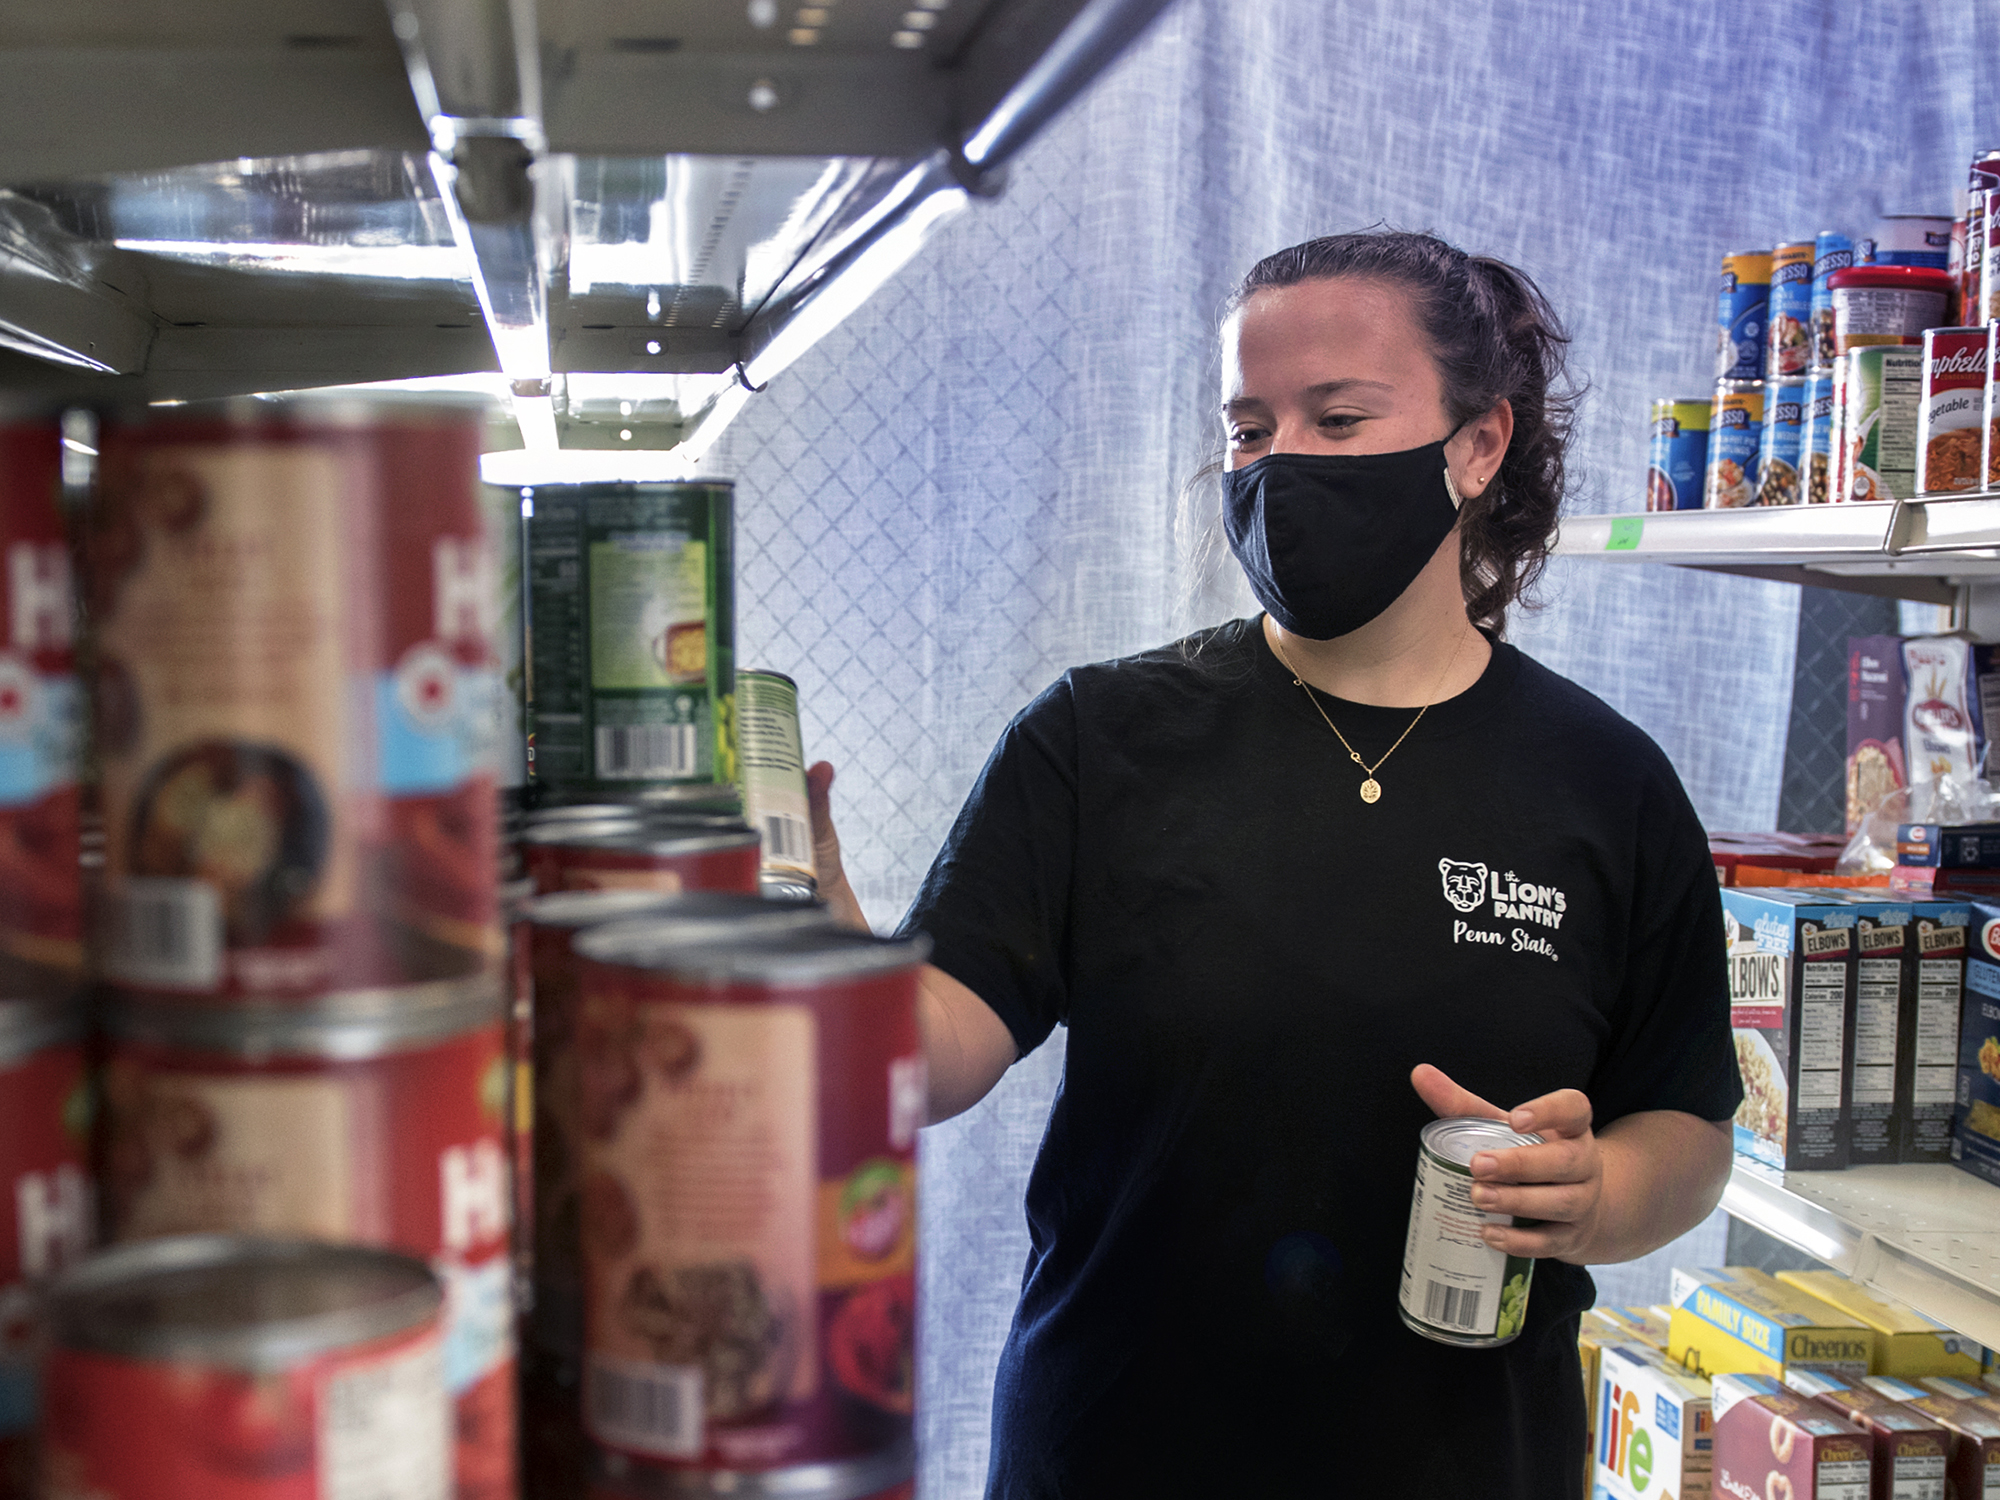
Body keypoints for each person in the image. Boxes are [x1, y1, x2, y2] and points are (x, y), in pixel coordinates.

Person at [805, 230, 1740, 1498]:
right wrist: (811, 987)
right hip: (1117, 1451)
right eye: (1249, 430)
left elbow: (1684, 1123)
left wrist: (1601, 1191)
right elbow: (934, 1049)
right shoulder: (1099, 738)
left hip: (1459, 1461)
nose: (1279, 464)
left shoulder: (1604, 783)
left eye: (1339, 420)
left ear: (1476, 446)